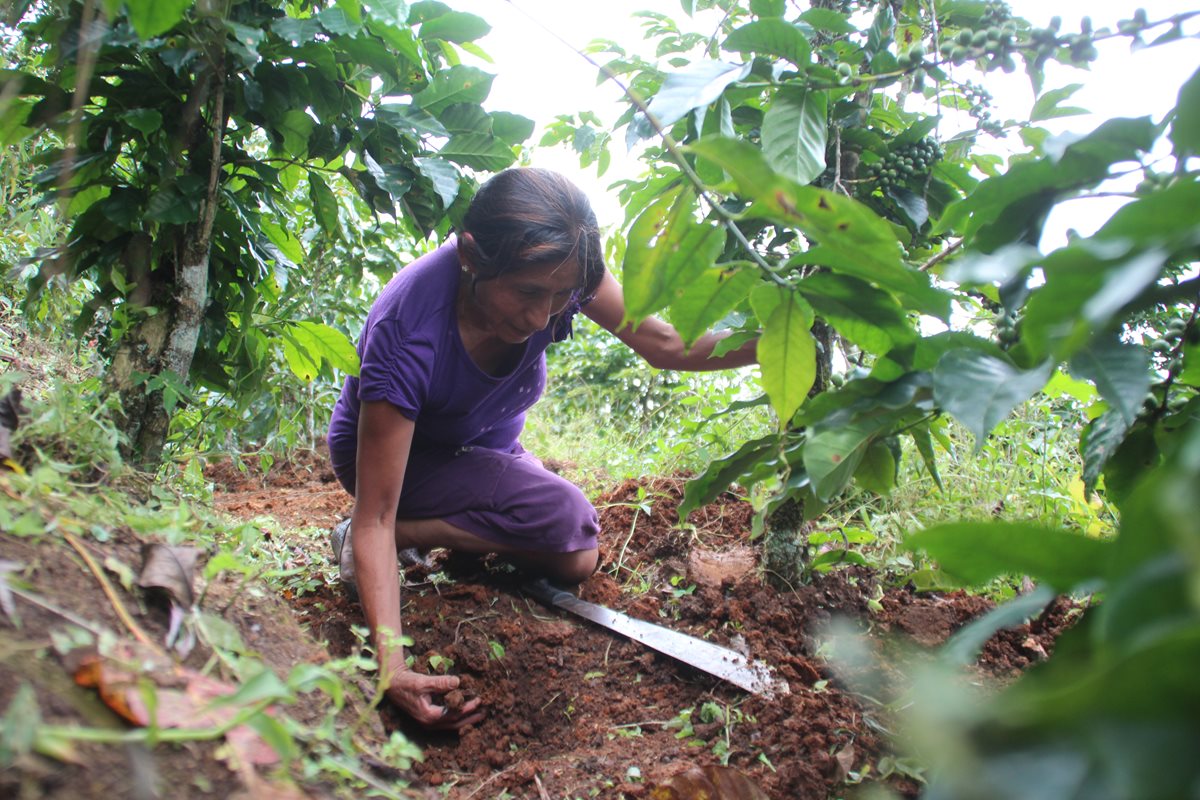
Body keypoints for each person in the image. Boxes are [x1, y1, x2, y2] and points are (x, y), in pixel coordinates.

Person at [326, 167, 758, 732]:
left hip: (482, 443)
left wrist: (784, 340)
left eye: (561, 298)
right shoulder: (408, 329)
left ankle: (427, 529)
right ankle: (389, 536)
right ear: (471, 255)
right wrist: (393, 667)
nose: (540, 316)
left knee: (573, 556)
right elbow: (377, 515)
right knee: (566, 521)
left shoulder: (564, 268)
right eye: (528, 293)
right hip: (401, 465)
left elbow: (665, 343)